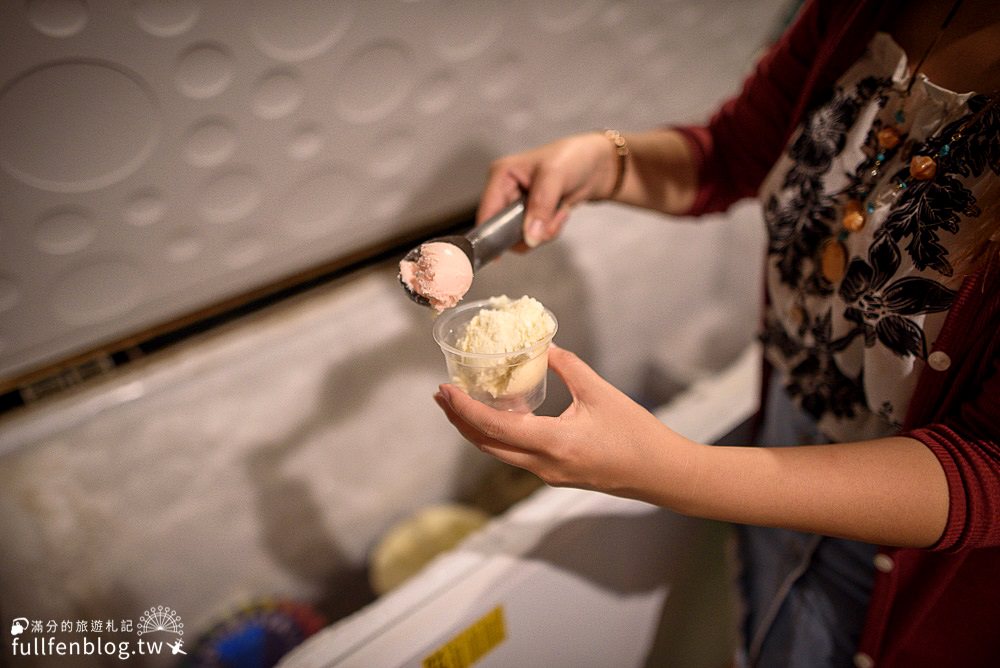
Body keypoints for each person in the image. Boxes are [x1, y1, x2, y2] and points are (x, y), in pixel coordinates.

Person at [432, 0, 1000, 666]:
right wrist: (604, 160)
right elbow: (734, 154)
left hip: (913, 559)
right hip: (779, 449)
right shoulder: (852, 12)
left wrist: (672, 470)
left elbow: (986, 462)